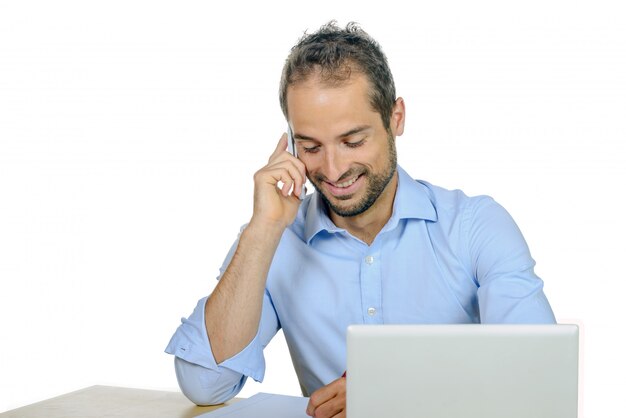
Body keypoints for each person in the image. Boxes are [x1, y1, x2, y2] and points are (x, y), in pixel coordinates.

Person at [165, 21, 556, 418]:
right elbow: (205, 385)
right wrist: (262, 229)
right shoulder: (278, 240)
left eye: (353, 141)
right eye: (311, 146)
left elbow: (541, 379)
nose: (333, 170)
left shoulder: (476, 227)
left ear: (396, 118)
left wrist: (399, 390)